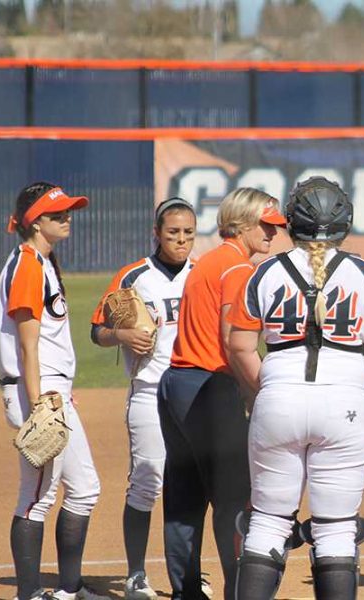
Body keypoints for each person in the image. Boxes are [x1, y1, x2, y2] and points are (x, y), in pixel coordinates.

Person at [227, 176, 364, 599]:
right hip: (345, 401)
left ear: (292, 222)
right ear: (345, 222)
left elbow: (239, 345)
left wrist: (263, 390)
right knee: (336, 529)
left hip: (279, 397)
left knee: (268, 521)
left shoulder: (263, 273)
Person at [157, 188, 286, 599]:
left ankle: (186, 593)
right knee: (234, 501)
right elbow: (234, 342)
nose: (274, 233)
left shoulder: (209, 262)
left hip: (176, 384)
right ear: (242, 223)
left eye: (276, 226)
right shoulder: (237, 270)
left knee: (184, 499)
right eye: (266, 225)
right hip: (211, 389)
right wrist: (259, 390)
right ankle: (237, 592)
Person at [0, 182, 107, 600]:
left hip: (52, 389)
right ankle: (29, 595)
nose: (67, 218)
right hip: (37, 393)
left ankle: (68, 590)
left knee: (84, 487)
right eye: (58, 214)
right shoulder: (27, 265)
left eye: (67, 211)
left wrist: (58, 388)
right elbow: (27, 343)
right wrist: (41, 400)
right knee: (36, 496)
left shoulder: (41, 262)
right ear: (36, 222)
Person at [90, 197, 196, 599]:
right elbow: (96, 330)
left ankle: (189, 572)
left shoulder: (202, 275)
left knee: (190, 484)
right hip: (149, 390)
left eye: (188, 232)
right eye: (173, 232)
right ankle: (136, 573)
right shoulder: (134, 275)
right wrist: (120, 335)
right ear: (157, 233)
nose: (181, 239)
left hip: (192, 389)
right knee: (147, 481)